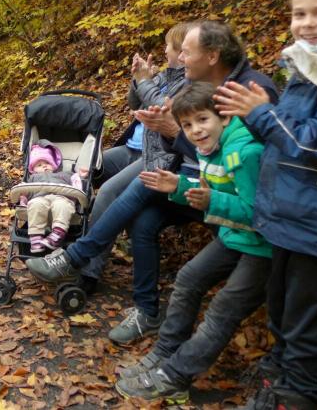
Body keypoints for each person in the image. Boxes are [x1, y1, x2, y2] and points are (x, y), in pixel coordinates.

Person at [27, 21, 278, 344]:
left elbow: (240, 157)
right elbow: (192, 143)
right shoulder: (199, 83)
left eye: (186, 52)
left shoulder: (251, 90)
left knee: (142, 183)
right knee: (143, 220)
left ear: (213, 55)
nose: (181, 58)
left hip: (229, 197)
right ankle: (146, 310)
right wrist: (167, 127)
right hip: (195, 179)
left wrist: (173, 132)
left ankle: (75, 258)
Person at [215, 0, 317, 410]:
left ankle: (296, 396)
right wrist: (255, 117)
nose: (307, 23)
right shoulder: (311, 65)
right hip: (290, 217)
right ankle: (276, 379)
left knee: (308, 327)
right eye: (299, 14)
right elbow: (286, 138)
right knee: (282, 312)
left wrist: (261, 113)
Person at [114, 82, 270, 405]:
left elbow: (259, 214)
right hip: (235, 234)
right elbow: (212, 191)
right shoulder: (210, 147)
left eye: (202, 119)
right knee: (188, 279)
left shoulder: (244, 153)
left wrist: (211, 201)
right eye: (187, 125)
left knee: (222, 310)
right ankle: (164, 354)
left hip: (264, 245)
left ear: (223, 118)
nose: (196, 130)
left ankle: (175, 377)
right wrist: (180, 186)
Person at [80, 23, 189, 293]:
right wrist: (137, 79)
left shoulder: (189, 83)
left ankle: (88, 270)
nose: (165, 50)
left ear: (182, 52)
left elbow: (161, 107)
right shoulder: (163, 77)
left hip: (155, 156)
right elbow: (135, 102)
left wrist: (145, 82)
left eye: (168, 46)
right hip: (130, 148)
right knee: (84, 170)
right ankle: (64, 231)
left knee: (108, 192)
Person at [23, 142, 88, 253]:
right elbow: (26, 192)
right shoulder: (33, 178)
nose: (44, 166)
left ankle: (57, 234)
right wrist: (22, 198)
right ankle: (36, 237)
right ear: (33, 170)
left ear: (53, 164)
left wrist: (81, 177)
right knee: (35, 204)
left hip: (61, 197)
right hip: (40, 197)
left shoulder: (66, 174)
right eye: (39, 165)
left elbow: (77, 184)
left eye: (47, 163)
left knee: (61, 205)